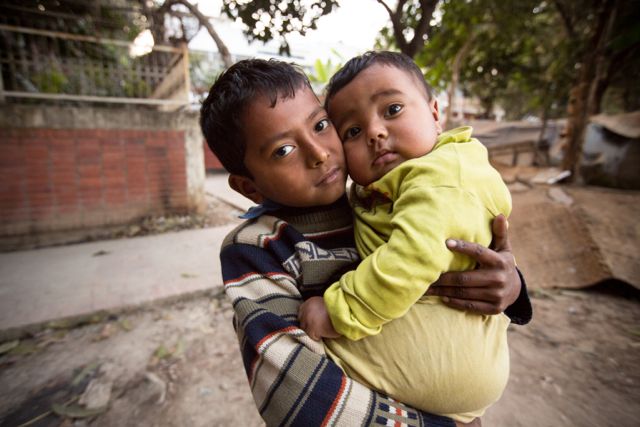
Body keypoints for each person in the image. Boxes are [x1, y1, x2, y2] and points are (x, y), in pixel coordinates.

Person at [200, 58, 532, 427]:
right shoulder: (257, 246)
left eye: (321, 126)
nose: (320, 153)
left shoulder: (382, 198)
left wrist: (513, 285)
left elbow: (440, 252)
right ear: (249, 187)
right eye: (283, 151)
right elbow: (291, 391)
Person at [297, 51, 515, 423]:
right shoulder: (386, 188)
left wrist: (338, 310)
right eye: (352, 131)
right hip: (445, 371)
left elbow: (416, 254)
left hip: (452, 369)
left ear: (434, 113)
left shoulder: (444, 175)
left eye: (392, 109)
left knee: (309, 355)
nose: (375, 132)